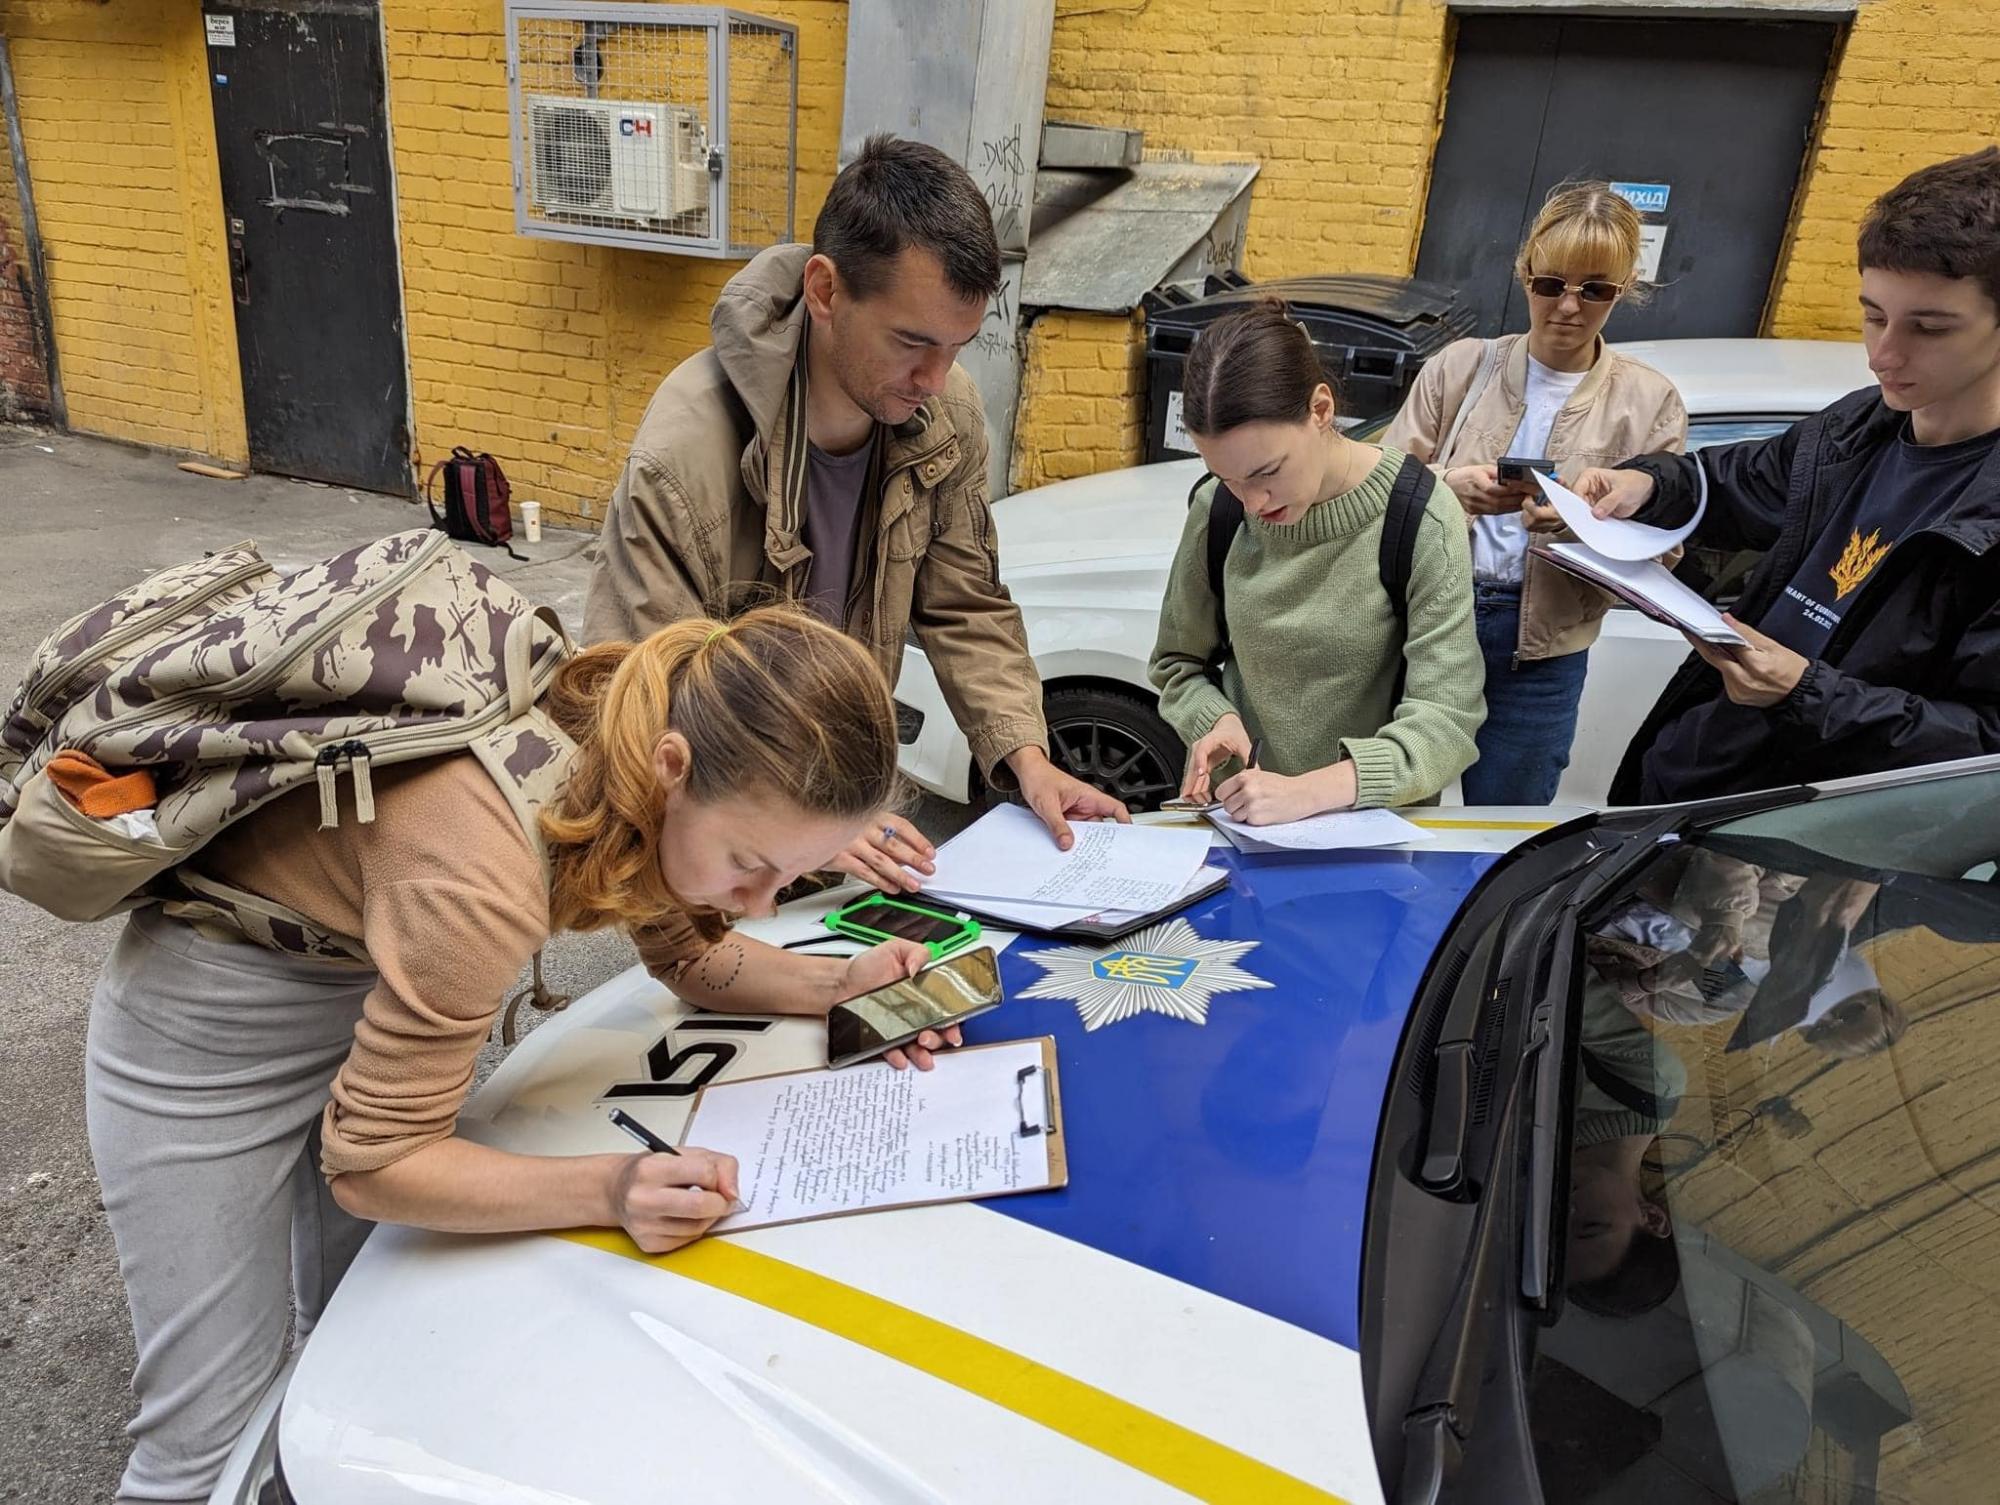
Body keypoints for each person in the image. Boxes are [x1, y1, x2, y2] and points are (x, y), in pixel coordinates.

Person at [83, 606, 956, 1503]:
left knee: (359, 1321)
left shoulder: (628, 735)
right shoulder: (485, 869)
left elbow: (692, 958)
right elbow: (378, 1162)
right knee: (204, 1438)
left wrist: (838, 983)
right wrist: (610, 1189)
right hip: (202, 1038)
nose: (763, 905)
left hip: (367, 977)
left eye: (786, 878)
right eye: (751, 864)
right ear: (671, 772)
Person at [583, 133, 1125, 891]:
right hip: (721, 847)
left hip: (838, 824)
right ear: (826, 290)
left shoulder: (949, 416)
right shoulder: (683, 455)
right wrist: (801, 828)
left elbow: (967, 605)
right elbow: (631, 700)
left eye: (959, 347)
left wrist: (1029, 761)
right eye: (913, 342)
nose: (936, 379)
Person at [1550, 148, 2000, 804]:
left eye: (1928, 328)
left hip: (1813, 850)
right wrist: (1647, 484)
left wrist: (1805, 694)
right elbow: (1732, 481)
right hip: (1688, 785)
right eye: (1873, 314)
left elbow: (1984, 750)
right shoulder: (1857, 427)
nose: (1882, 353)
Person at [1386, 182, 1687, 805]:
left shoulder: (1649, 401)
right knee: (1396, 820)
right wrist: (1451, 489)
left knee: (1504, 836)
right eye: (1551, 284)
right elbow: (1375, 489)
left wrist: (1579, 522)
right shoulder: (1460, 367)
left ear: (1623, 290)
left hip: (1542, 656)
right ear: (1525, 275)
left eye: (1595, 289)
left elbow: (1665, 551)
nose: (1569, 307)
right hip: (1431, 628)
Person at [1149, 302, 1485, 821]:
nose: (1253, 501)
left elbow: (1446, 720)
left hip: (1371, 832)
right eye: (1230, 478)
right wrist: (1213, 719)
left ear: (1321, 410)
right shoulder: (1217, 510)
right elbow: (1177, 665)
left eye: (1267, 471)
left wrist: (1312, 791)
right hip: (1240, 823)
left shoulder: (1421, 516)